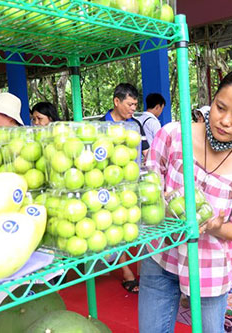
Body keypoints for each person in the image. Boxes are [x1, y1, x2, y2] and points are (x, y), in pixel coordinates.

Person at [138, 70, 232, 333]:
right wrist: (158, 200)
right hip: (161, 255)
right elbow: (150, 181)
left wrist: (215, 226)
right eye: (220, 107)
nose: (224, 121)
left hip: (209, 269)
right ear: (211, 101)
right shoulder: (174, 135)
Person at [99, 83, 149, 293]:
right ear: (116, 101)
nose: (133, 109)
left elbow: (146, 152)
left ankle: (138, 270)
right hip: (108, 185)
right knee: (114, 229)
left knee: (133, 228)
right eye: (130, 104)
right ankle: (127, 271)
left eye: (135, 105)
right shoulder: (101, 126)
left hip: (131, 185)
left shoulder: (135, 125)